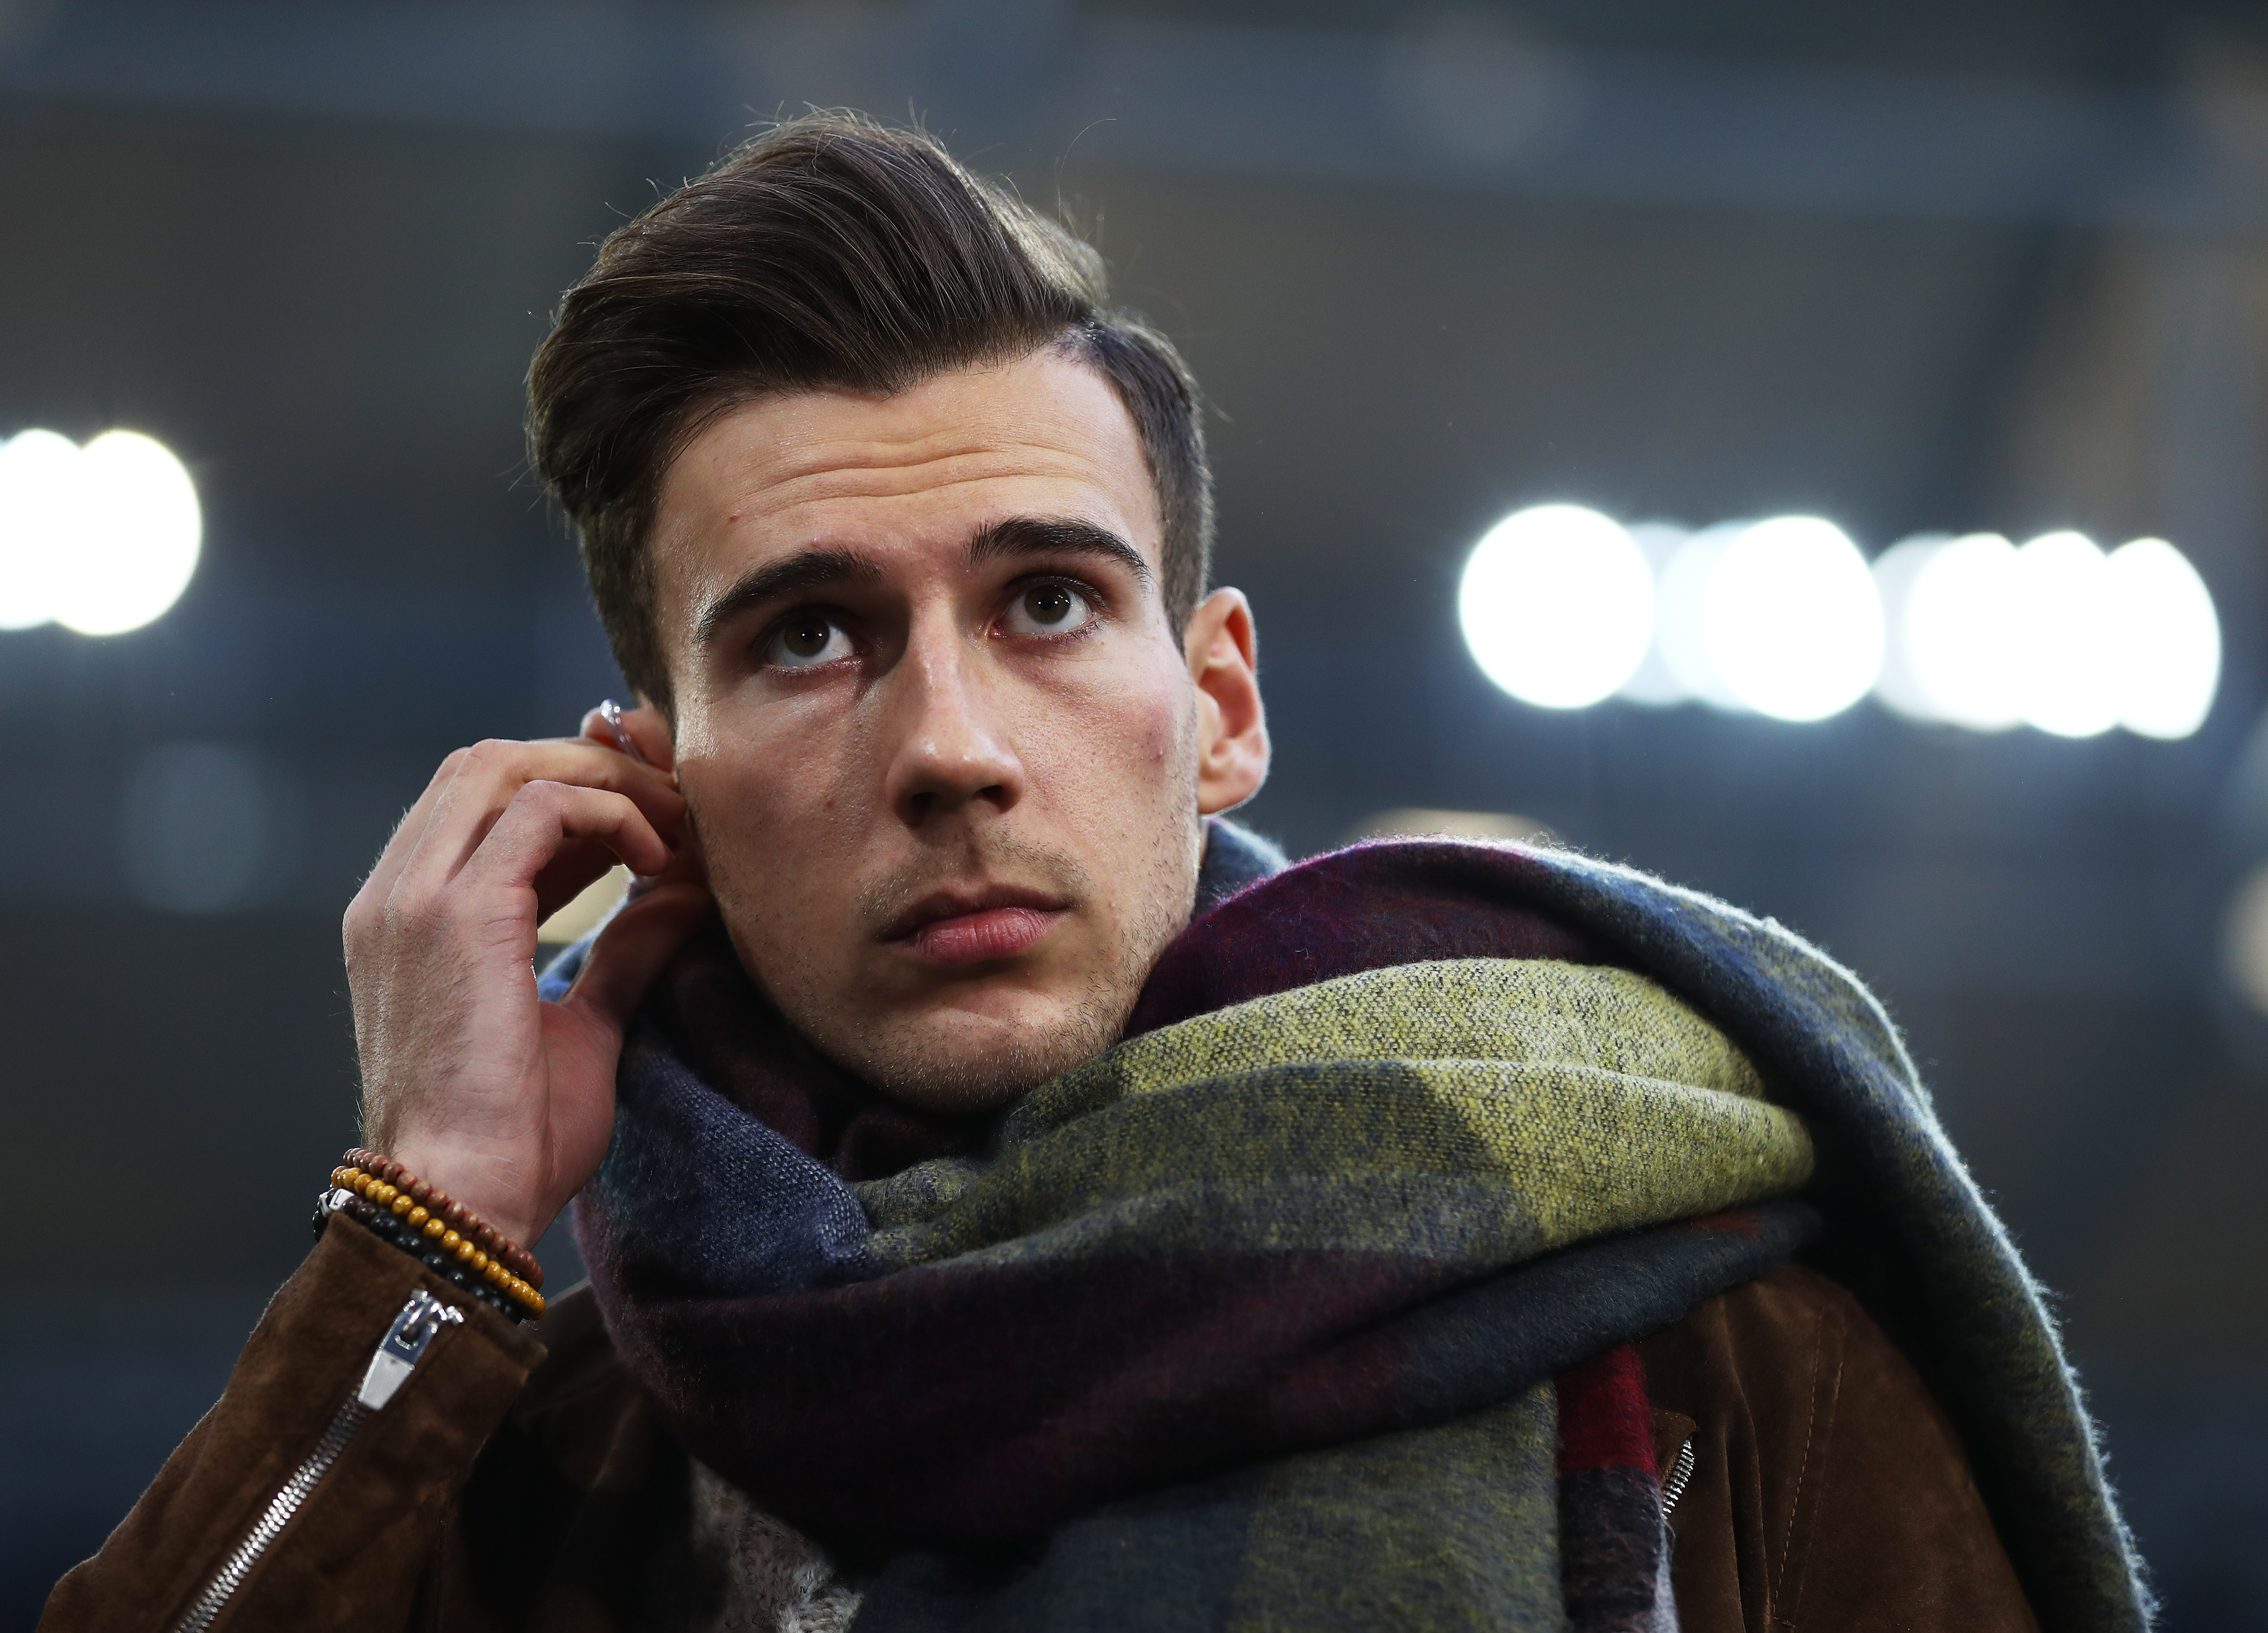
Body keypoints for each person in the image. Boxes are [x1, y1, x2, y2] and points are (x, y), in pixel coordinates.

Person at [45, 114, 2148, 1633]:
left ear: (1216, 706)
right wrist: (429, 1217)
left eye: (1047, 601)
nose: (950, 750)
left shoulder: (1713, 1346)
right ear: (653, 784)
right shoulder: (546, 1453)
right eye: (808, 636)